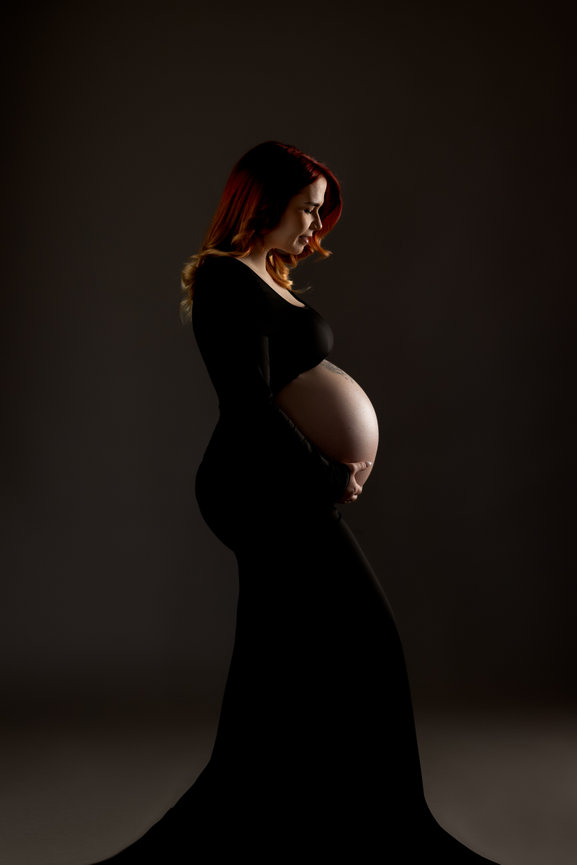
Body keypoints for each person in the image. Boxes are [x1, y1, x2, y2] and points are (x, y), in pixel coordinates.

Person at [94, 141, 498, 862]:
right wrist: (321, 471)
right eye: (307, 210)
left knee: (278, 664)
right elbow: (245, 402)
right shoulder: (223, 279)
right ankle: (402, 834)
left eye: (318, 213)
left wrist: (326, 463)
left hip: (285, 481)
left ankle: (296, 824)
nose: (317, 227)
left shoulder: (271, 276)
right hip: (256, 486)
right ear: (264, 203)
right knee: (367, 639)